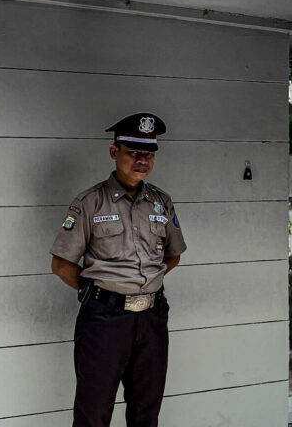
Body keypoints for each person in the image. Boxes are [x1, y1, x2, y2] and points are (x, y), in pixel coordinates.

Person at [49, 112, 187, 427]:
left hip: (152, 319)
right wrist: (99, 292)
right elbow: (61, 264)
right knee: (93, 413)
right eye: (133, 153)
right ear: (114, 153)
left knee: (146, 411)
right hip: (105, 321)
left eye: (149, 154)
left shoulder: (161, 202)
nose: (142, 160)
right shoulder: (90, 203)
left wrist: (145, 283)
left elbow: (173, 255)